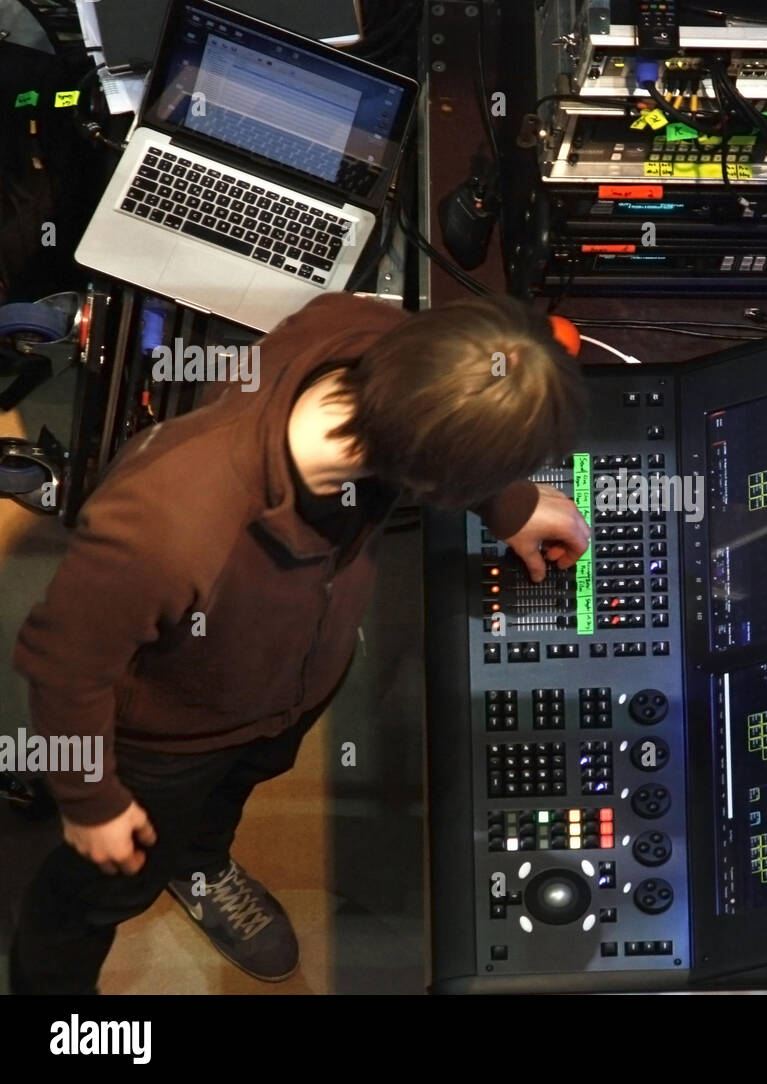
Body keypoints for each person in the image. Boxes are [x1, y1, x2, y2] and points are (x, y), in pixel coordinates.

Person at [9, 291, 590, 993]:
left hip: (281, 693)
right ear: (427, 480)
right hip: (166, 745)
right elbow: (61, 665)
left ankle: (200, 862)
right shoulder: (166, 522)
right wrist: (89, 801)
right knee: (94, 896)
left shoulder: (376, 334)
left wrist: (509, 502)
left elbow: (440, 395)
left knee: (229, 795)